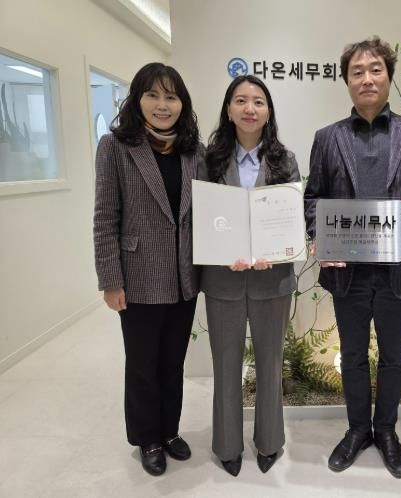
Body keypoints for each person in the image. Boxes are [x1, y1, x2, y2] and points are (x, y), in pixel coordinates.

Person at [304, 36, 401, 479]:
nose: (367, 78)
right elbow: (313, 198)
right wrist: (318, 237)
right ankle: (356, 430)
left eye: (375, 70)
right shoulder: (327, 138)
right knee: (351, 356)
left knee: (393, 357)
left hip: (397, 270)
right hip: (347, 273)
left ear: (389, 76)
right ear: (347, 81)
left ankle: (385, 431)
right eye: (357, 72)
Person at [93, 62, 201, 476]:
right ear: (137, 100)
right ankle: (147, 438)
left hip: (184, 277)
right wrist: (110, 280)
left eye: (171, 97)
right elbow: (105, 217)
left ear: (182, 103)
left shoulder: (194, 150)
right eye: (153, 95)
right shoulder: (116, 147)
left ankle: (169, 431)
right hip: (137, 276)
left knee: (173, 363)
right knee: (142, 365)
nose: (162, 105)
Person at [199, 75, 300, 476]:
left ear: (268, 111)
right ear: (228, 110)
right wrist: (222, 251)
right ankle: (227, 445)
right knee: (226, 363)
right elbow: (201, 218)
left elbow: (290, 218)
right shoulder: (208, 160)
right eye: (240, 100)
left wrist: (274, 251)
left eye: (258, 101)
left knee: (270, 362)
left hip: (271, 279)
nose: (249, 108)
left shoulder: (284, 160)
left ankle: (270, 441)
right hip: (222, 279)